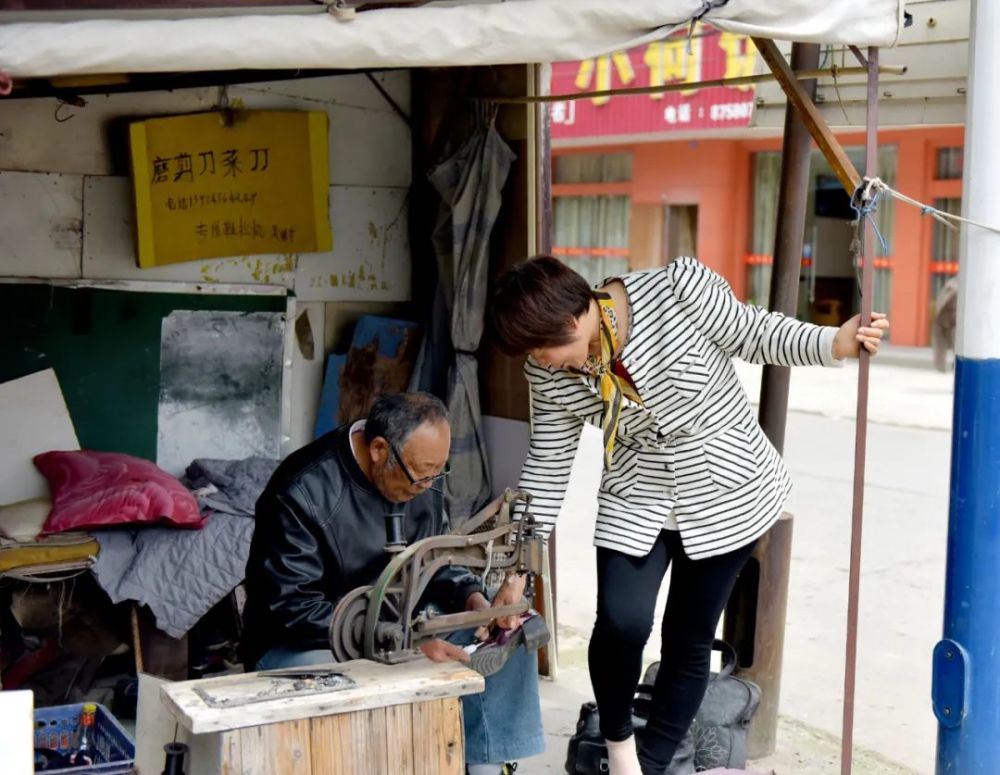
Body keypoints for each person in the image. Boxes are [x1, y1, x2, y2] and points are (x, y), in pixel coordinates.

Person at [488, 256, 889, 775]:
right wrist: (517, 569)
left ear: (572, 321)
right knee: (620, 624)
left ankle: (653, 763)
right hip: (636, 492)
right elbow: (548, 463)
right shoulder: (547, 372)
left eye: (544, 350)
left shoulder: (679, 288)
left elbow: (756, 333)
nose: (542, 363)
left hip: (728, 488)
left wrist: (833, 341)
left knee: (688, 635)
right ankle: (621, 754)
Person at [242, 392, 544, 775]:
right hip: (306, 644)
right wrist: (405, 644)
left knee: (512, 634)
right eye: (422, 475)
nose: (429, 485)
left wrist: (473, 600)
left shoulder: (423, 474)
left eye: (439, 472)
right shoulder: (301, 491)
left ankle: (485, 766)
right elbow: (290, 609)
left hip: (399, 627)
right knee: (386, 676)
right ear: (379, 450)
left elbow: (435, 557)